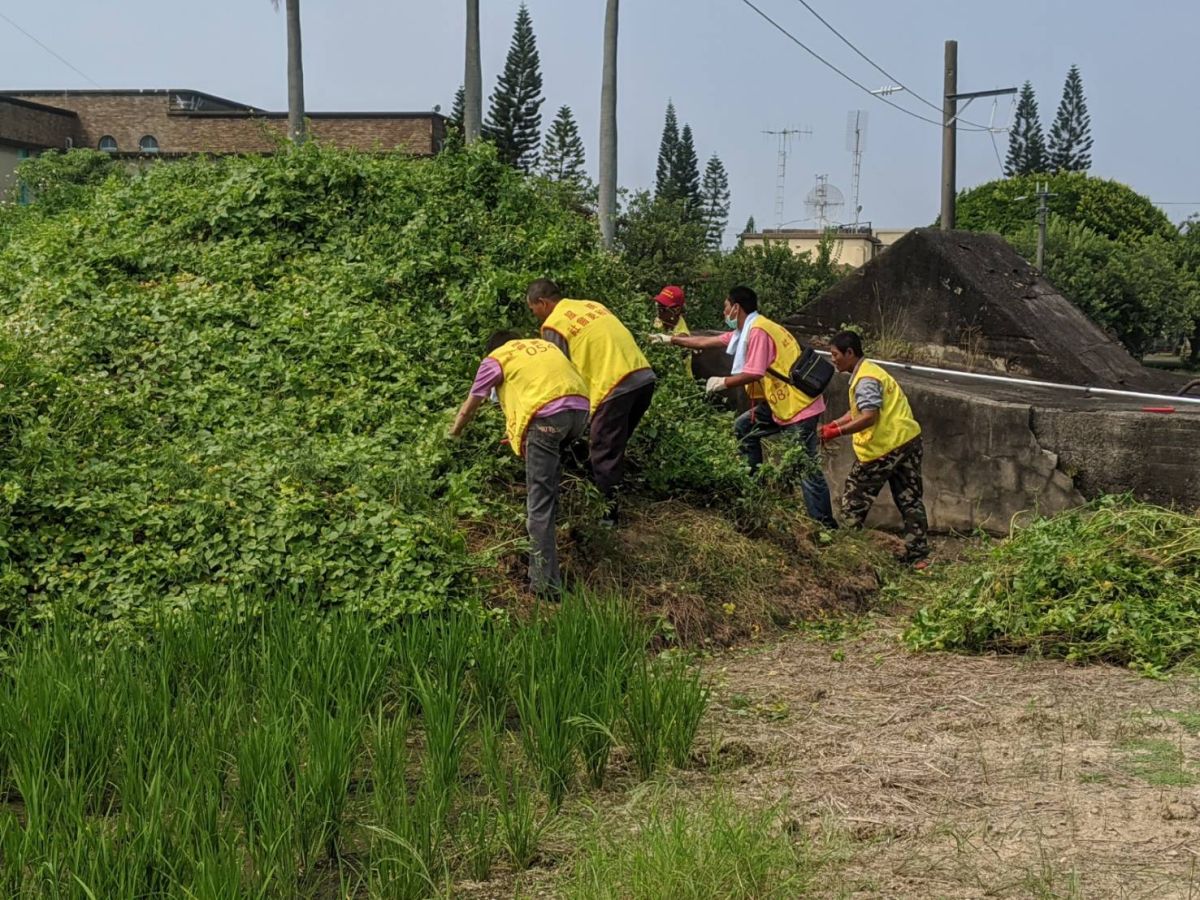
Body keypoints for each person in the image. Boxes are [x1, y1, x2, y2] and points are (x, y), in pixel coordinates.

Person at [665, 286, 837, 529]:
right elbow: (708, 341)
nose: (724, 312)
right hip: (781, 403)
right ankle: (754, 485)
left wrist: (723, 381)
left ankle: (824, 526)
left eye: (725, 307)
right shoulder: (747, 330)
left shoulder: (757, 332)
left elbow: (753, 372)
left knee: (805, 467)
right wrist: (671, 339)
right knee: (744, 427)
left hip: (798, 406)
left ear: (736, 307)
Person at [449, 330, 590, 598]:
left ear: (492, 349)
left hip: (547, 419)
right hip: (580, 414)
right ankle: (545, 571)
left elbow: (471, 405)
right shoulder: (542, 346)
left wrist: (453, 433)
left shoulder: (495, 359)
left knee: (539, 505)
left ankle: (544, 586)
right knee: (548, 494)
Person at [526, 279, 656, 526]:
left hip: (614, 386)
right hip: (643, 377)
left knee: (603, 451)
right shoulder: (590, 305)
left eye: (534, 310)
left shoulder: (555, 324)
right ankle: (605, 495)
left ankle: (608, 519)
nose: (536, 318)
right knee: (611, 446)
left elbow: (557, 372)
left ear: (542, 303)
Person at [821, 330, 930, 567]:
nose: (833, 359)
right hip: (908, 440)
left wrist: (836, 432)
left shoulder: (865, 379)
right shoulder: (871, 371)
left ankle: (846, 552)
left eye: (835, 354)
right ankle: (918, 556)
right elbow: (858, 409)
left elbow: (869, 416)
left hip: (883, 448)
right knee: (910, 499)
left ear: (850, 353)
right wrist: (834, 423)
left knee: (854, 498)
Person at [650, 284, 694, 377]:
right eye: (658, 305)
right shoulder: (659, 320)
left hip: (676, 380)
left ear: (676, 310)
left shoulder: (682, 336)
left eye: (663, 308)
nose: (658, 310)